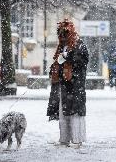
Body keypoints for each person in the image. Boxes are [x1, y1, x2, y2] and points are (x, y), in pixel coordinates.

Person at [47, 19, 89, 148]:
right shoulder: (62, 46)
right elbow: (59, 63)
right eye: (60, 34)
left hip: (75, 86)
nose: (62, 36)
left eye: (64, 33)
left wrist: (68, 57)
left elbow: (82, 60)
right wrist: (54, 69)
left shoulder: (79, 44)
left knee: (75, 113)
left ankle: (77, 139)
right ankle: (64, 139)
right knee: (63, 113)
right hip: (64, 86)